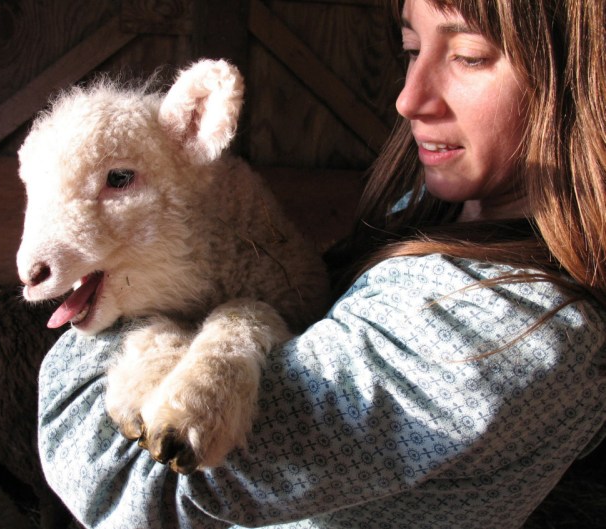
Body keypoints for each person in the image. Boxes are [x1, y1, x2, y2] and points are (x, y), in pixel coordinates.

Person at [36, 0, 606, 527]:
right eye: (411, 50)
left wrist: (132, 288)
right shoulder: (428, 214)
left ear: (581, 77)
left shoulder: (501, 331)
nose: (408, 99)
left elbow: (131, 484)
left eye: (468, 56)